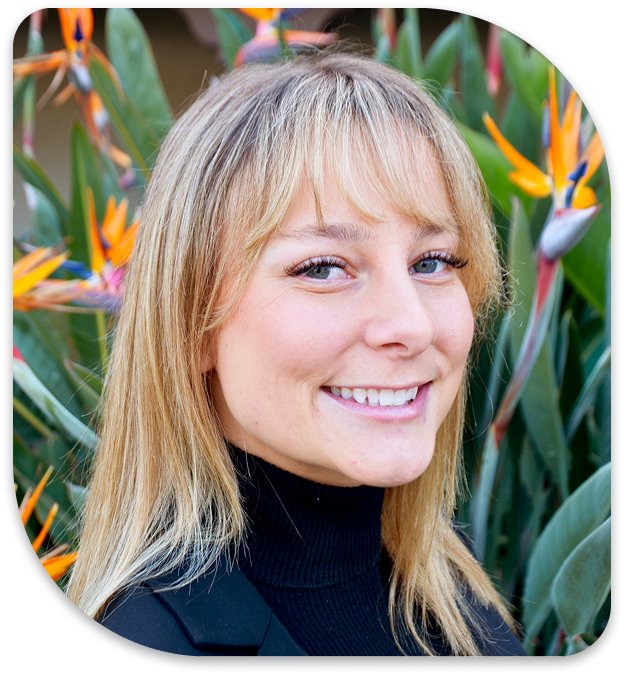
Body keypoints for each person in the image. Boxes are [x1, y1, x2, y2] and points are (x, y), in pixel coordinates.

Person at [67, 52, 527, 657]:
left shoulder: (458, 598)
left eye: (432, 262)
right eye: (323, 268)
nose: (411, 326)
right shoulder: (146, 636)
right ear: (192, 324)